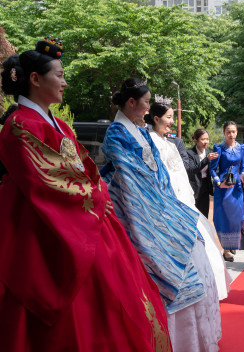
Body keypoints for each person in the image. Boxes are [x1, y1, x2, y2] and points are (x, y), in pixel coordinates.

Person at [0, 40, 171, 351]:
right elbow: (46, 180)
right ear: (35, 79)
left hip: (82, 215)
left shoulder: (57, 124)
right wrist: (95, 196)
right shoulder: (20, 125)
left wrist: (97, 190)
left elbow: (86, 165)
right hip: (42, 227)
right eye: (59, 75)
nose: (64, 82)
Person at [101, 78, 221, 351]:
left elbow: (160, 174)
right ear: (132, 102)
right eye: (145, 102)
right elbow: (130, 180)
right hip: (134, 211)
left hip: (158, 204)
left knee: (193, 248)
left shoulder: (141, 131)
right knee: (160, 265)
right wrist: (155, 211)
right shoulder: (116, 133)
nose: (148, 107)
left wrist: (167, 205)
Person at [147, 101, 231, 301]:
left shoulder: (173, 143)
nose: (172, 122)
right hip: (166, 199)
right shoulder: (149, 142)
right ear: (156, 119)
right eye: (168, 117)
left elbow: (182, 171)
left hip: (185, 197)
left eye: (172, 117)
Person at [210, 121, 244, 262]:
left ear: (236, 132)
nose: (231, 134)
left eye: (233, 131)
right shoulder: (219, 148)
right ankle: (226, 250)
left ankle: (232, 243)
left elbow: (242, 167)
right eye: (228, 132)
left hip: (236, 187)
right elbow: (212, 169)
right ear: (224, 133)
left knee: (236, 217)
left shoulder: (241, 148)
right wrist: (218, 183)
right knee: (224, 217)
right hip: (223, 187)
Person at [187, 128, 218, 218]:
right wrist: (206, 159)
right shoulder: (189, 153)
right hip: (194, 187)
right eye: (203, 139)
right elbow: (192, 170)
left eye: (207, 139)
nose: (206, 142)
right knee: (194, 215)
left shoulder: (208, 152)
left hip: (205, 186)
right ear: (195, 140)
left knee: (204, 215)